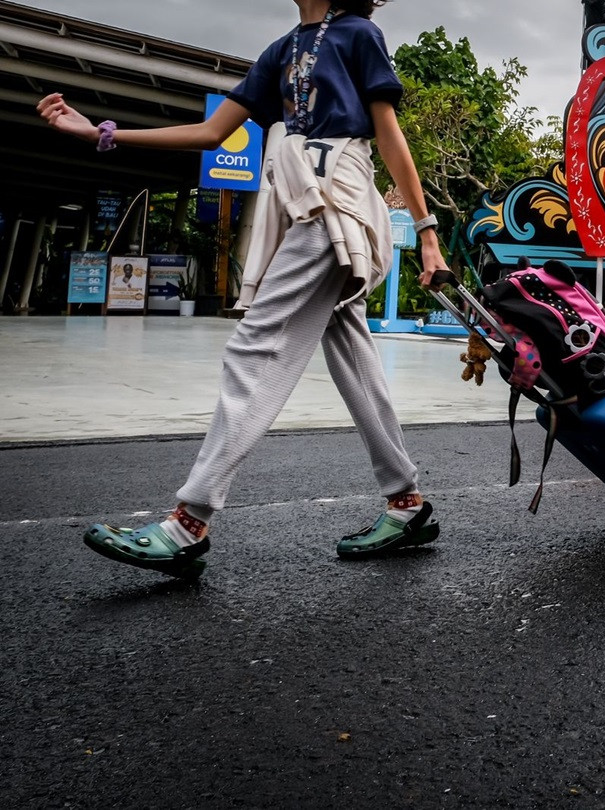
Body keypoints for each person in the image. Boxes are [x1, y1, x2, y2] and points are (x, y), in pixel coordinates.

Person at [37, 0, 449, 577]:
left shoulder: (359, 33)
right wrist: (102, 133)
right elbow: (212, 132)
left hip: (337, 206)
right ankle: (407, 504)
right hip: (306, 204)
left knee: (255, 347)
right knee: (350, 351)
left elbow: (388, 133)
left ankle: (188, 523)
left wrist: (428, 233)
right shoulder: (280, 51)